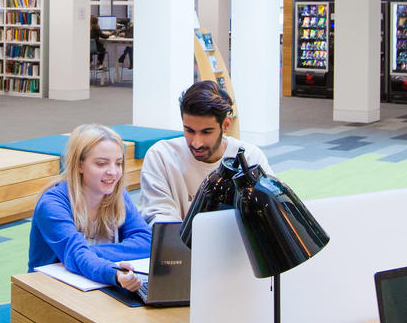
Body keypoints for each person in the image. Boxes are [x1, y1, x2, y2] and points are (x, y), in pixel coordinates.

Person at [27, 124, 151, 291]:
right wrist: (112, 272)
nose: (113, 172)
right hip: (49, 291)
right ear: (79, 165)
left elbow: (146, 241)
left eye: (118, 163)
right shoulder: (52, 203)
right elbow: (76, 254)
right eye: (101, 164)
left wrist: (88, 253)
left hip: (96, 284)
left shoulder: (118, 195)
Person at [139, 80, 273, 223]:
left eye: (206, 132)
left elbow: (270, 212)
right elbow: (159, 219)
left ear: (226, 125)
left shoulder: (251, 158)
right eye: (189, 130)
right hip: (179, 238)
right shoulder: (161, 156)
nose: (196, 143)